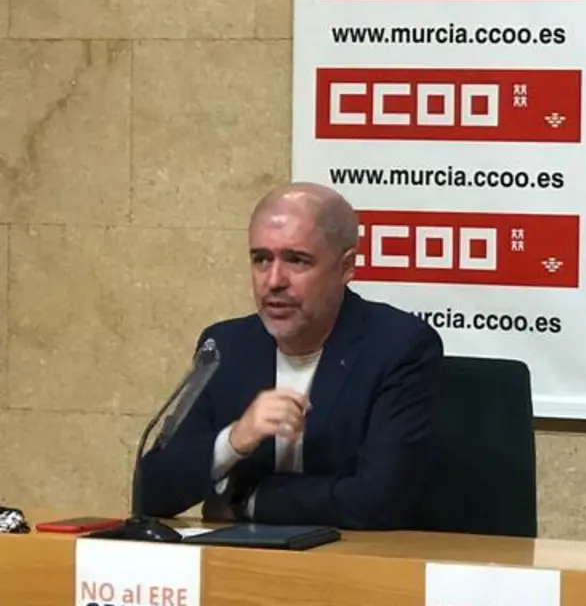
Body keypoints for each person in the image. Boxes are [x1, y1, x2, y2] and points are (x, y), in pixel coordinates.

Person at [137, 183, 444, 530]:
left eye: (297, 260)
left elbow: (378, 501)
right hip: (242, 556)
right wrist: (234, 441)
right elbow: (151, 493)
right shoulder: (226, 347)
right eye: (261, 259)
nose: (274, 281)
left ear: (346, 267)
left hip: (357, 557)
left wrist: (247, 501)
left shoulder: (398, 347)